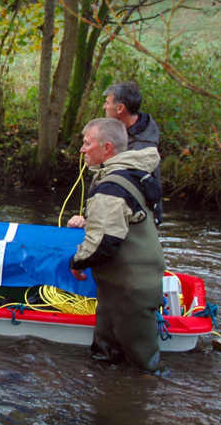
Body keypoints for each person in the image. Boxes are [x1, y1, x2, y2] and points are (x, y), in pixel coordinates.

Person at [68, 118, 165, 373]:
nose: (82, 149)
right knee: (104, 356)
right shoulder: (129, 175)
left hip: (132, 289)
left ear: (107, 148)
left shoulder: (112, 187)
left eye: (87, 143)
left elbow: (103, 243)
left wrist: (77, 261)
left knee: (145, 367)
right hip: (117, 286)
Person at [102, 82, 162, 224]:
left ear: (120, 108)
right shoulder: (122, 130)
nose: (104, 107)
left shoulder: (142, 147)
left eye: (107, 103)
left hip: (136, 218)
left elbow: (132, 193)